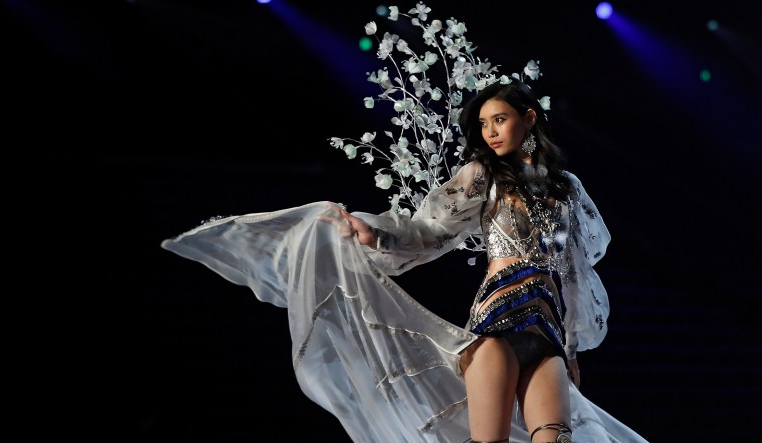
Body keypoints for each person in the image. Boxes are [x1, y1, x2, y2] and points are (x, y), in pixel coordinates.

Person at [162, 79, 648, 443]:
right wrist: (376, 233)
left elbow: (576, 271)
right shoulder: (483, 175)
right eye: (483, 124)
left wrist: (573, 347)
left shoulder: (568, 189)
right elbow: (429, 230)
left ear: (529, 118)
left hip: (546, 333)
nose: (490, 130)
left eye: (498, 119)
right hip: (497, 325)